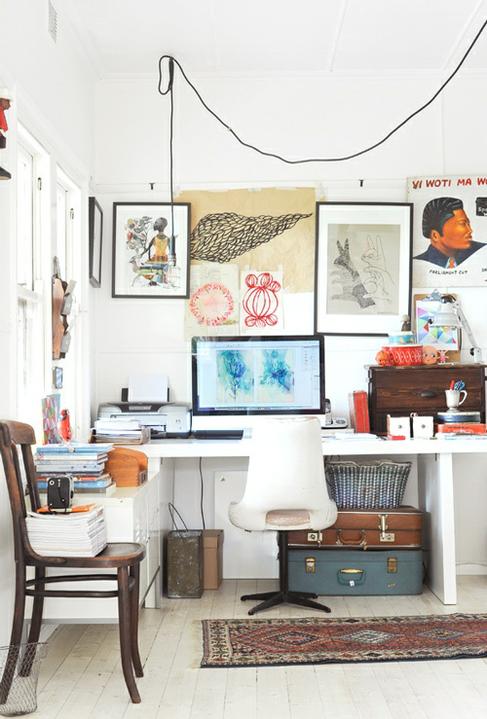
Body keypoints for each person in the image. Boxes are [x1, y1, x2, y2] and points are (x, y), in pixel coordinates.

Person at [414, 197, 486, 268]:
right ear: (435, 235)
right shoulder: (417, 263)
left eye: (468, 223)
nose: (470, 230)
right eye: (462, 224)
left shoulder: (483, 250)